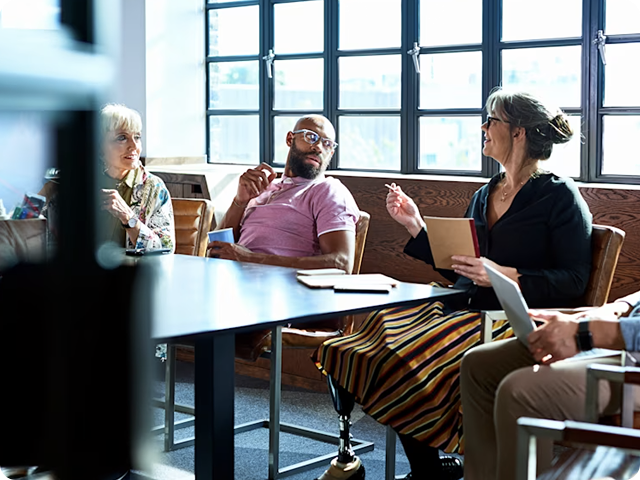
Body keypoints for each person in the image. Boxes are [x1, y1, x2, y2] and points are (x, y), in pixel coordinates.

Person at [313, 88, 592, 480]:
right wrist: (414, 224)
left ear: (519, 133)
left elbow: (574, 279)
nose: (483, 127)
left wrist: (507, 275)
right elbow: (461, 269)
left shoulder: (560, 197)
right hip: (467, 309)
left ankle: (433, 465)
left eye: (491, 120)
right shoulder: (484, 194)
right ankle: (430, 466)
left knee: (414, 353)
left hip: (515, 319)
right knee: (374, 338)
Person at [460, 290, 640, 480]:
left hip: (631, 356)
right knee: (480, 365)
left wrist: (590, 332)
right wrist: (617, 308)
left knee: (523, 392)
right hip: (626, 343)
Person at [206, 114, 359, 273]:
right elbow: (216, 248)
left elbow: (341, 264)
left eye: (327, 144)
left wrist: (250, 259)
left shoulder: (328, 191)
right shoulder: (263, 189)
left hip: (288, 290)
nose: (318, 147)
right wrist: (240, 201)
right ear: (289, 139)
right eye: (310, 137)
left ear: (331, 153)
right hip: (234, 283)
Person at [38, 103, 175, 252]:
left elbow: (165, 249)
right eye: (122, 138)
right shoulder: (74, 182)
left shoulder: (154, 188)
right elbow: (33, 239)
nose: (134, 146)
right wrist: (44, 196)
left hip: (131, 274)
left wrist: (129, 218)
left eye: (137, 137)